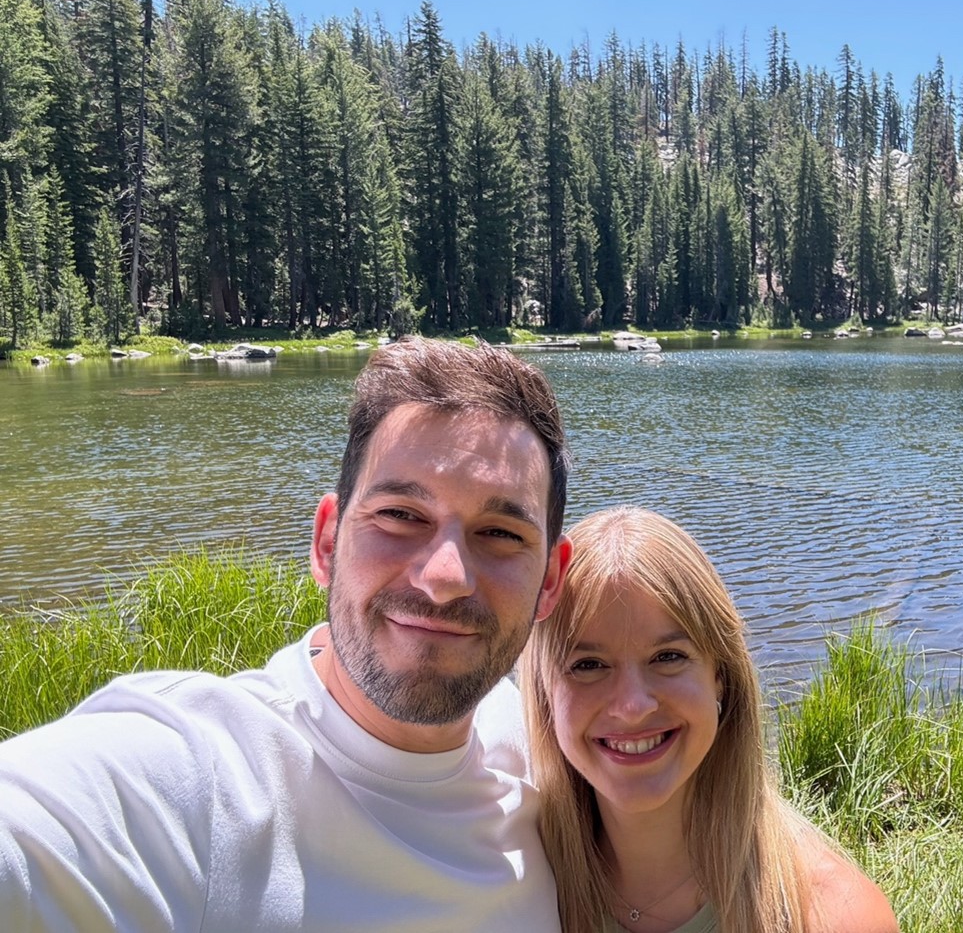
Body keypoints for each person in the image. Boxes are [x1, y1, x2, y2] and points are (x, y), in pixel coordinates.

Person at [0, 337, 574, 932]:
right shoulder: (203, 779)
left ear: (550, 581)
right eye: (401, 515)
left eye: (502, 534)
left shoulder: (547, 748)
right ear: (327, 542)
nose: (445, 577)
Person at [520, 506, 898, 933]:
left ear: (720, 677)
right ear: (544, 692)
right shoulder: (508, 887)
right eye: (588, 665)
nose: (632, 705)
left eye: (668, 657)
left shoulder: (834, 915)